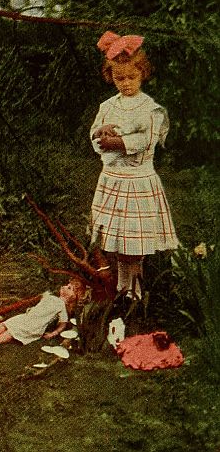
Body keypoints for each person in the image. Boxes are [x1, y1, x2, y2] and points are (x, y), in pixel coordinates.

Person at [89, 30, 179, 300]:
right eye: (119, 78)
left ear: (142, 74)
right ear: (111, 77)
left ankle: (135, 292)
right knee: (115, 240)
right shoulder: (108, 105)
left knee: (134, 242)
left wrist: (118, 142)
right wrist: (100, 135)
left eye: (131, 77)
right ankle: (121, 287)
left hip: (137, 179)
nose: (125, 83)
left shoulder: (149, 108)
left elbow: (146, 140)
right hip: (113, 178)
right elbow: (94, 133)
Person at [0, 280, 85, 345]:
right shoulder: (52, 297)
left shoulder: (62, 306)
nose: (64, 286)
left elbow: (63, 323)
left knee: (13, 331)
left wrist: (53, 334)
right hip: (27, 317)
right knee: (7, 323)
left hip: (35, 325)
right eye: (67, 285)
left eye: (69, 288)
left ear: (73, 296)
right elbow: (40, 305)